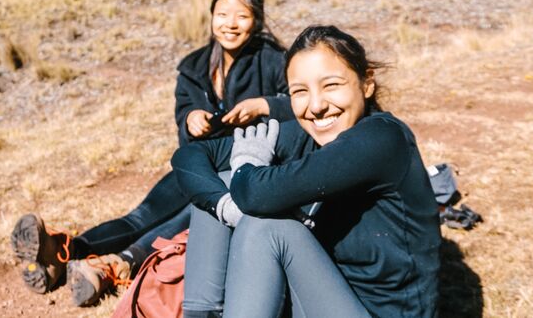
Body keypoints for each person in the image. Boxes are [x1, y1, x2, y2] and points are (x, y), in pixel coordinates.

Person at [10, 0, 294, 307]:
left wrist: (264, 105)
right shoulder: (194, 67)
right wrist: (190, 121)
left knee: (192, 214)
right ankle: (63, 251)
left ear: (257, 20)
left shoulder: (275, 61)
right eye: (223, 14)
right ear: (211, 15)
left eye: (242, 16)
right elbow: (183, 116)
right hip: (199, 162)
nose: (231, 24)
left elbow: (300, 107)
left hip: (243, 171)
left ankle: (115, 264)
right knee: (140, 215)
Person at [172, 25, 441, 318]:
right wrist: (223, 206)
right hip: (320, 299)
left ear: (367, 83)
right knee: (222, 183)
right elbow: (192, 154)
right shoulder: (307, 134)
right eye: (300, 91)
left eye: (331, 86)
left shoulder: (382, 140)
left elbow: (254, 194)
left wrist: (246, 166)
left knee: (267, 226)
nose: (316, 106)